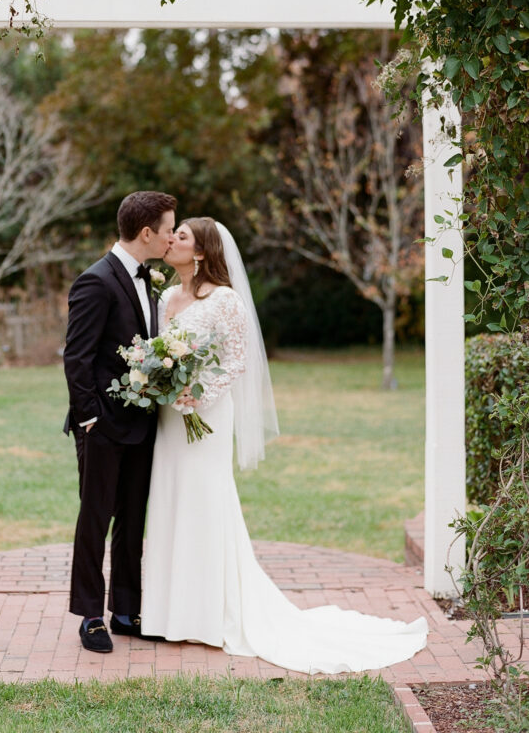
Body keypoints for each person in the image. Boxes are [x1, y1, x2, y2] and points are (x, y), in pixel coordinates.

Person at [140, 217, 428, 674]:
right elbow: (158, 355)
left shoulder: (225, 300)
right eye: (172, 235)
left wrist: (201, 395)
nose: (171, 240)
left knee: (205, 502)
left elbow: (239, 360)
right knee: (172, 500)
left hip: (206, 415)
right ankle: (170, 613)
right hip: (170, 418)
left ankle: (211, 613)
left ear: (199, 252)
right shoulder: (164, 297)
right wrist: (160, 386)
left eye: (181, 236)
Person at [63, 190, 176, 653]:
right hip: (103, 427)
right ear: (147, 232)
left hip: (142, 424)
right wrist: (90, 418)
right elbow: (77, 357)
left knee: (132, 519)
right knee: (96, 518)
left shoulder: (147, 280)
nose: (172, 237)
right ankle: (91, 615)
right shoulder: (96, 281)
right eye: (169, 229)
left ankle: (126, 609)